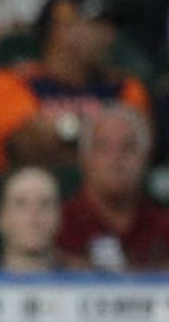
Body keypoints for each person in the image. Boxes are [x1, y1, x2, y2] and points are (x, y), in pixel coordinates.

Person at [0, 0, 153, 173]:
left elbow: (134, 149)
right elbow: (25, 148)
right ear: (63, 30)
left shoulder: (127, 87)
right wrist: (99, 137)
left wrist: (62, 131)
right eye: (99, 25)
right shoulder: (12, 81)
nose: (110, 36)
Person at [56, 104, 169, 271]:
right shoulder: (58, 225)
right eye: (104, 148)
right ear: (85, 160)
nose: (116, 159)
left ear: (146, 159)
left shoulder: (164, 226)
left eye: (128, 148)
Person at [0, 165, 63, 273]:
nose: (34, 215)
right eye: (21, 203)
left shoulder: (85, 281)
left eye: (45, 203)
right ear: (0, 217)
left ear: (59, 216)